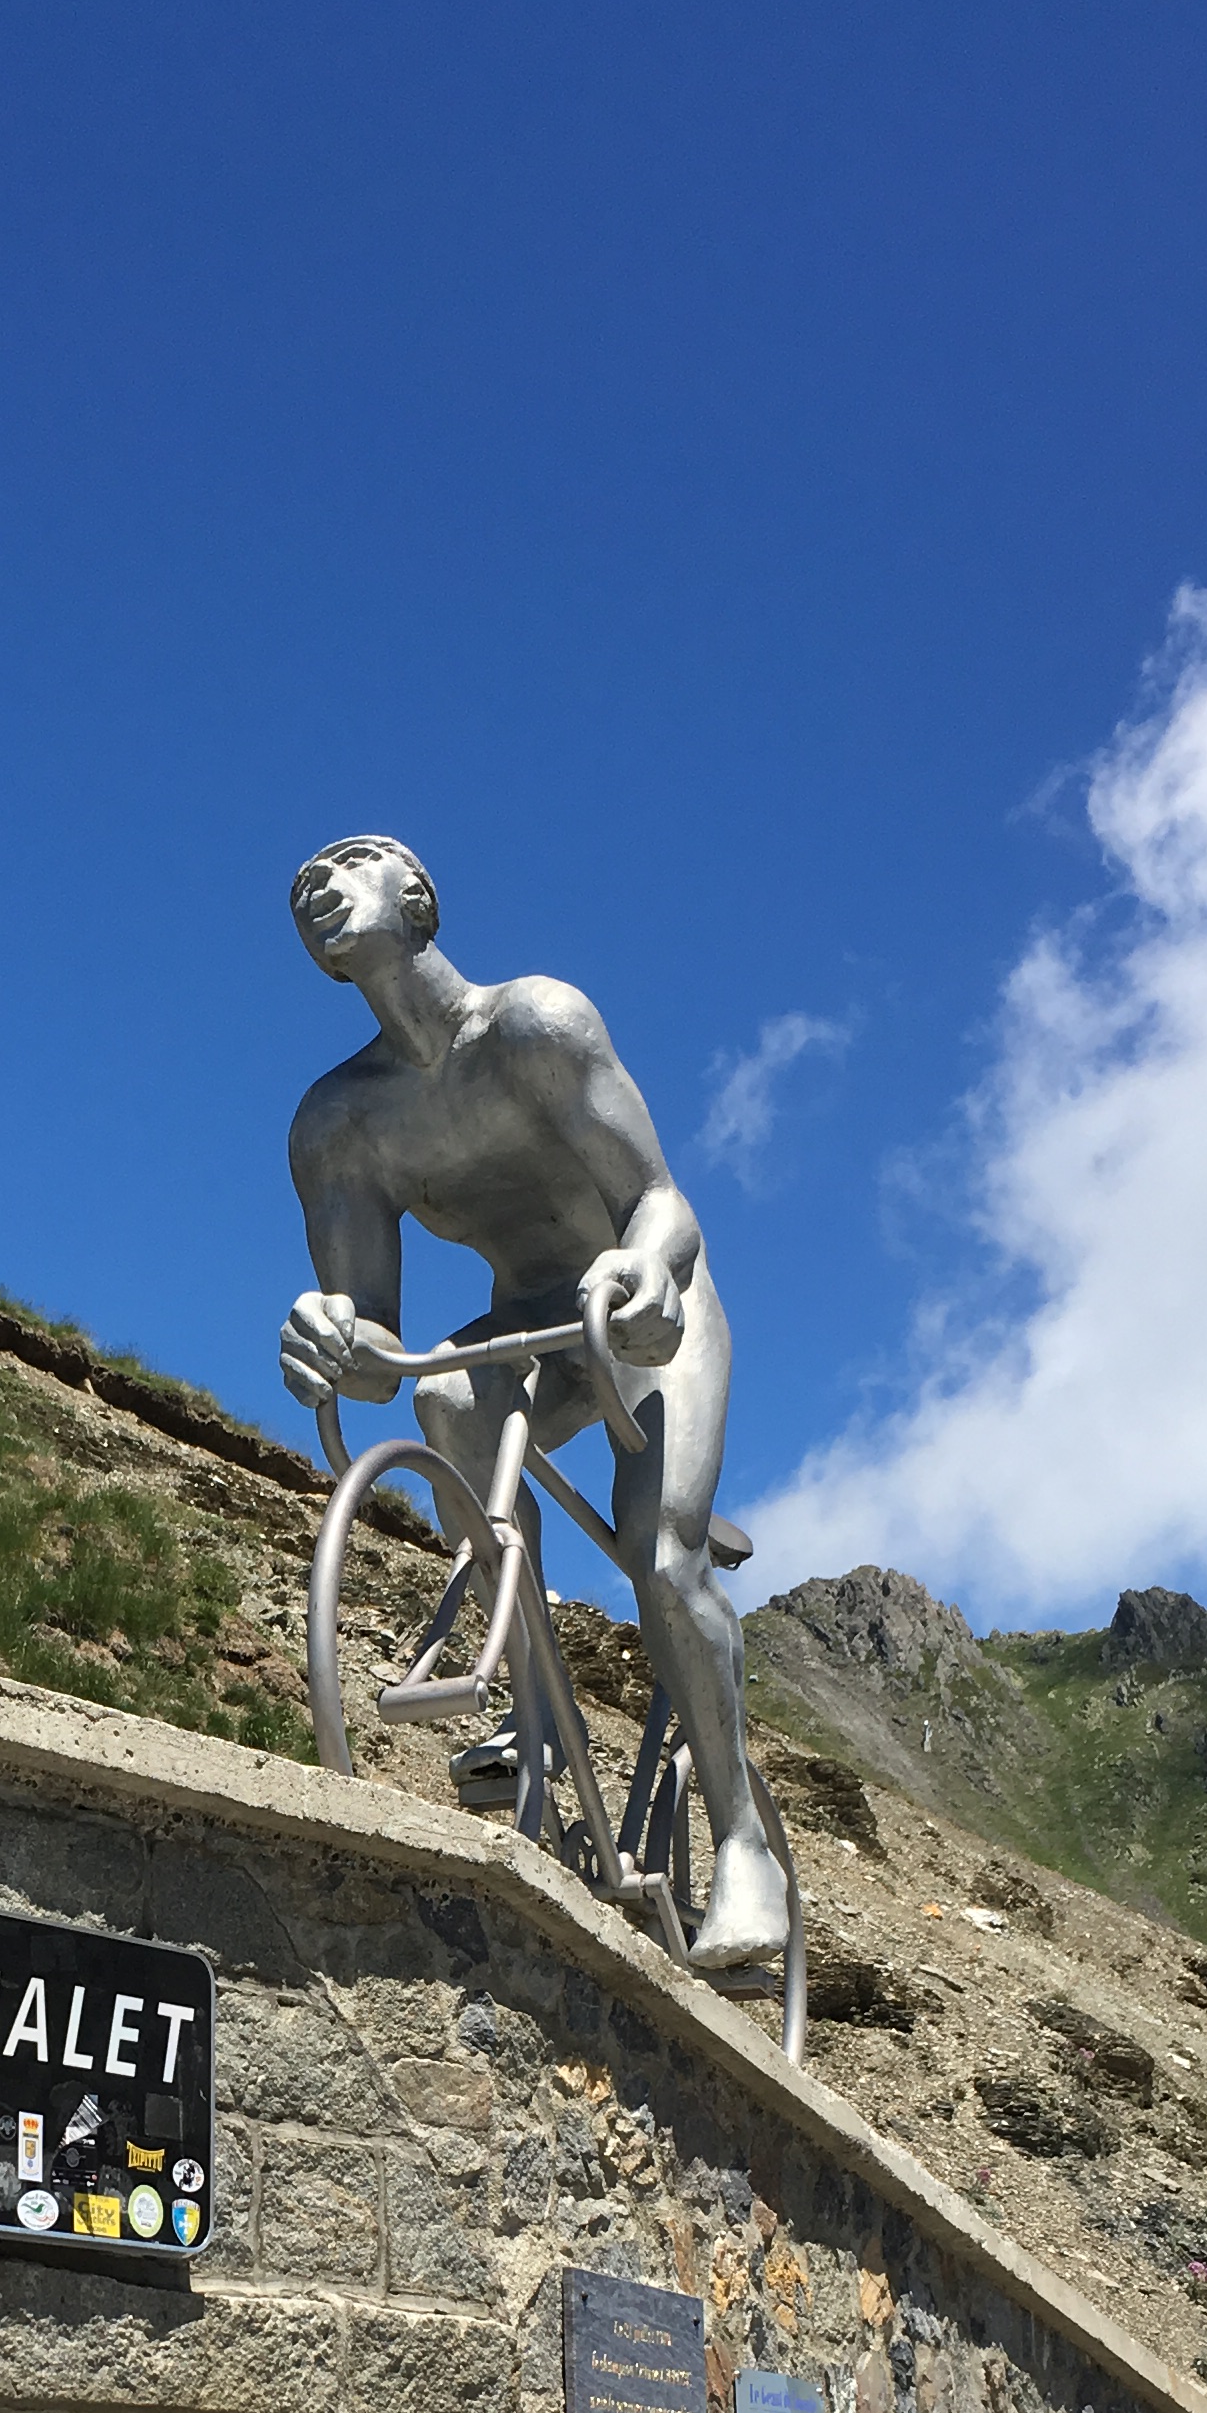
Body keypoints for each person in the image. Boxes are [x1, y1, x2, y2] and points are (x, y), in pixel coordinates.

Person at [276, 835, 788, 1975]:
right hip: (530, 1327)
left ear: (418, 894)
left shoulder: (536, 1026)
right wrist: (329, 1338)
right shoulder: (338, 1124)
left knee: (663, 1561)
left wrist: (647, 1271)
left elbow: (661, 1200)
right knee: (448, 1398)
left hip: (645, 1305)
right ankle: (538, 1709)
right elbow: (380, 1353)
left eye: (348, 862)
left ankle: (744, 1843)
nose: (316, 886)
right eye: (300, 886)